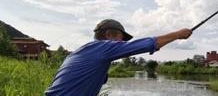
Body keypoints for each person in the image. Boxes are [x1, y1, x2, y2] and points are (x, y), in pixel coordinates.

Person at [45, 19, 192, 95]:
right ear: (109, 35)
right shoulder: (104, 47)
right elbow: (145, 44)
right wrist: (178, 34)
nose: (122, 43)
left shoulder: (83, 51)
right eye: (121, 38)